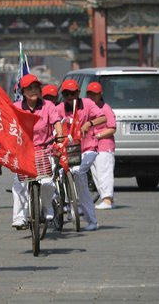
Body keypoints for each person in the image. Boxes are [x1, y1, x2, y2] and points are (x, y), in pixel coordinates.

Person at [11, 74, 63, 229]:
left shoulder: (48, 106)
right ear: (23, 91)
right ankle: (20, 217)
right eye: (29, 88)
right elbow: (9, 126)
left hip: (45, 150)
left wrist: (59, 139)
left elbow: (57, 123)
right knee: (19, 184)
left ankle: (47, 206)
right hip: (24, 152)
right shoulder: (16, 107)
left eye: (36, 87)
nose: (33, 91)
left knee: (47, 183)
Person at [56, 79, 106, 231]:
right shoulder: (59, 109)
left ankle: (90, 219)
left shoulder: (88, 104)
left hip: (88, 148)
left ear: (78, 93)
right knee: (55, 175)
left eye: (72, 93)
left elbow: (103, 117)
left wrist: (89, 123)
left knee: (78, 172)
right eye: (65, 94)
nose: (69, 97)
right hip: (69, 151)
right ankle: (59, 207)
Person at [86, 82, 116, 210]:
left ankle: (107, 200)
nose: (92, 96)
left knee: (104, 172)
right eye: (90, 94)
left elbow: (112, 128)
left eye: (95, 94)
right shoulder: (88, 108)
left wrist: (98, 136)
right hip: (91, 146)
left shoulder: (105, 108)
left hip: (104, 146)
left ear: (100, 94)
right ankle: (107, 199)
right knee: (96, 174)